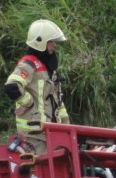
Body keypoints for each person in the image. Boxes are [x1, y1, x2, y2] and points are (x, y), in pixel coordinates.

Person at [4, 19, 70, 154]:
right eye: (51, 42)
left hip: (50, 133)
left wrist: (67, 127)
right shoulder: (29, 64)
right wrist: (28, 103)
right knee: (42, 170)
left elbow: (58, 103)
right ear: (41, 42)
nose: (54, 46)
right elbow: (12, 86)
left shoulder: (48, 69)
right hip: (34, 135)